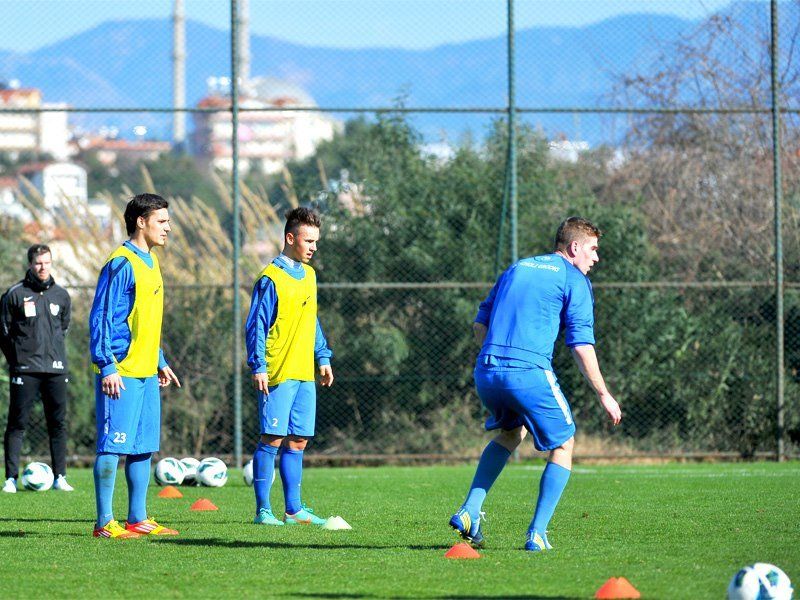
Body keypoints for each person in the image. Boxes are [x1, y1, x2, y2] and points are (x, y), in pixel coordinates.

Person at [449, 217, 622, 552]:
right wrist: (604, 394)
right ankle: (537, 534)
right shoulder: (574, 279)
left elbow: (479, 325)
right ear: (574, 247)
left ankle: (469, 511)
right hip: (527, 372)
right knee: (565, 443)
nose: (596, 257)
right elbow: (581, 345)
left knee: (513, 433)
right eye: (593, 249)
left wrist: (497, 358)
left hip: (487, 369)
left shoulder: (517, 268)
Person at [88, 193, 181, 539]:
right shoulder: (121, 263)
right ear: (141, 222)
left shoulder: (151, 261)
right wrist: (107, 366)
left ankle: (137, 518)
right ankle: (104, 523)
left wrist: (159, 360)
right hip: (121, 371)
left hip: (145, 371)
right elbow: (102, 317)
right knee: (112, 445)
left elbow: (144, 320)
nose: (168, 227)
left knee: (142, 446)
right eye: (162, 221)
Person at [245, 207, 334, 526]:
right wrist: (258, 365)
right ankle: (263, 511)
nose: (313, 247)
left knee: (298, 440)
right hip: (277, 371)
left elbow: (312, 319)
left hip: (303, 371)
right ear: (290, 238)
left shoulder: (309, 276)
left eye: (316, 241)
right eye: (308, 240)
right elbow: (256, 325)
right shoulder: (270, 278)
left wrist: (322, 356)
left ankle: (293, 510)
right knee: (272, 437)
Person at [1, 244, 73, 493]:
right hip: (25, 369)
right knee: (17, 423)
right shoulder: (14, 294)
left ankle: (60, 477)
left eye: (47, 262)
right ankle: (11, 479)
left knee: (58, 424)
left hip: (56, 369)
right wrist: (17, 359)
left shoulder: (62, 295)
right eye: (38, 263)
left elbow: (63, 328)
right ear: (30, 264)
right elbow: (3, 331)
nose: (43, 267)